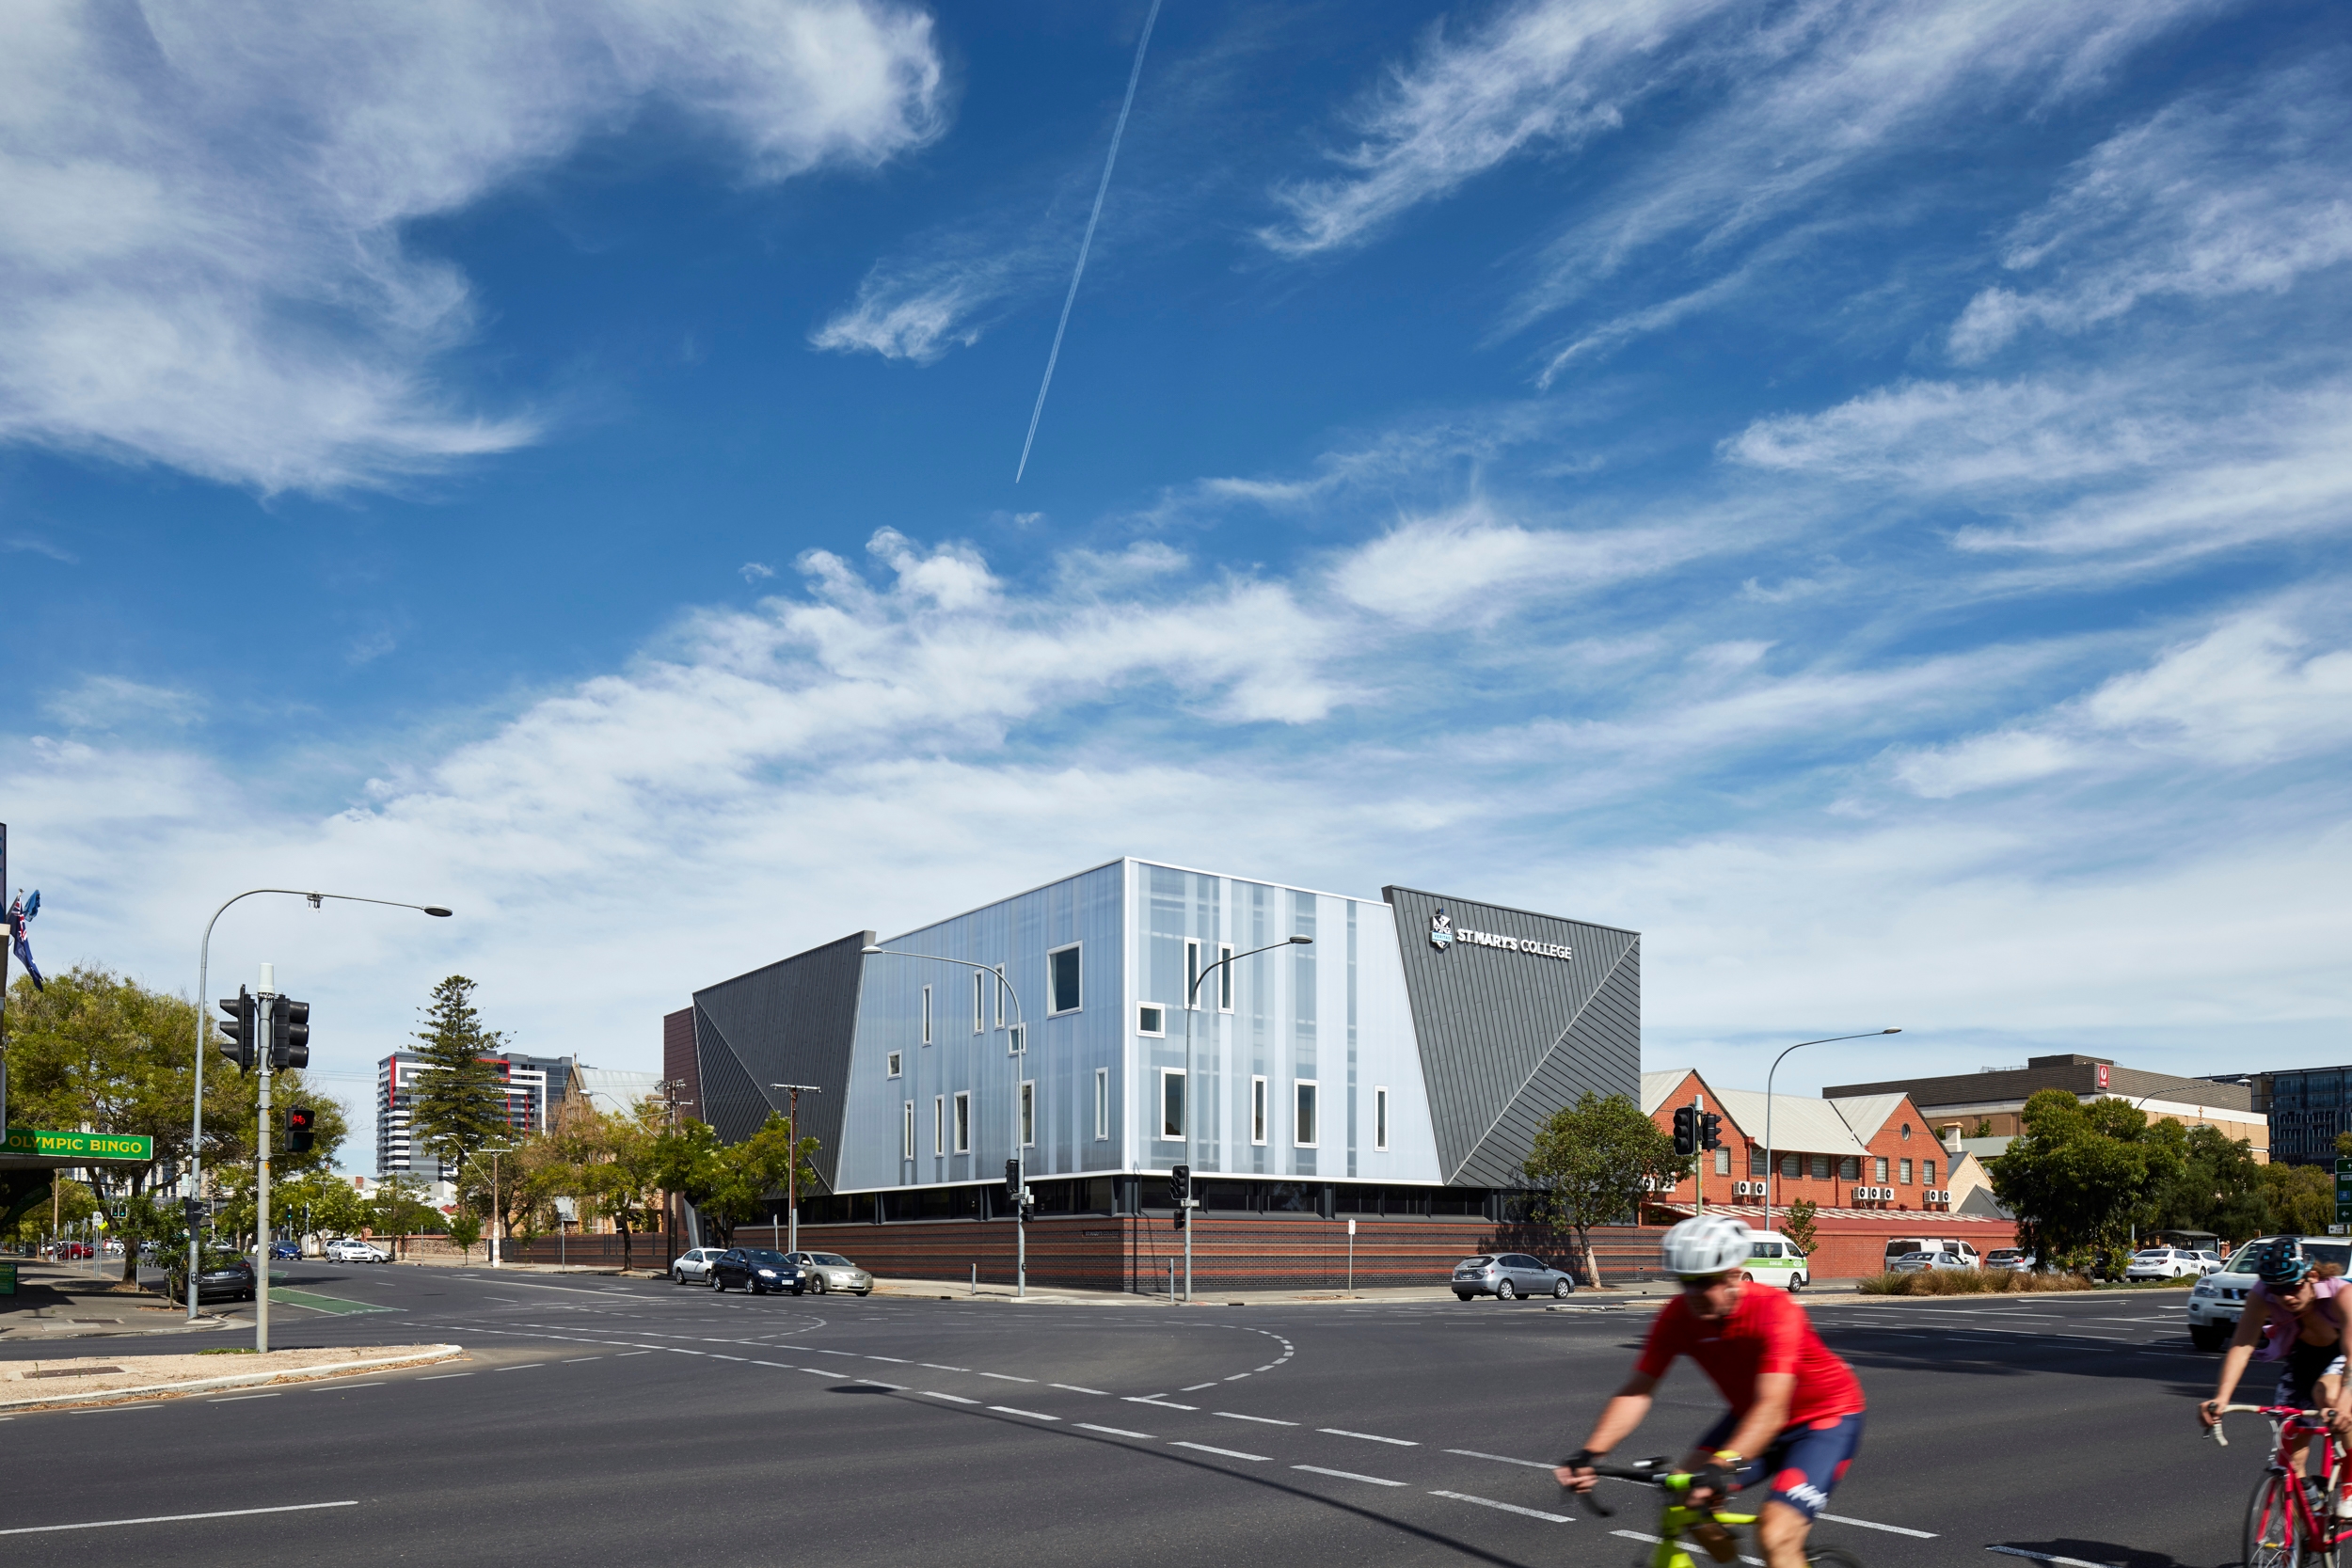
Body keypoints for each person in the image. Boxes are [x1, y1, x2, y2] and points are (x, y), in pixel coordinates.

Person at [1557, 1214, 1867, 1568]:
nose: (1694, 1294)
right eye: (1686, 1282)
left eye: (1705, 1282)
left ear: (1735, 1274)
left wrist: (1721, 1465)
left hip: (1824, 1421)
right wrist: (1591, 1452)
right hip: (1751, 1417)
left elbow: (1772, 1407)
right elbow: (1637, 1391)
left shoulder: (1775, 1312)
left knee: (1775, 1533)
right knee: (1686, 1500)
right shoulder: (1677, 1317)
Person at [2200, 1239, 2352, 1480]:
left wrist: (2345, 1402)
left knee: (2329, 1395)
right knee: (2288, 1459)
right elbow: (2242, 1344)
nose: (2286, 1297)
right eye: (2277, 1291)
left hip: (2341, 1356)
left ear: (2311, 1276)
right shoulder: (2262, 1294)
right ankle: (2306, 1507)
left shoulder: (2341, 1294)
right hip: (2301, 1358)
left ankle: (2349, 1486)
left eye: (2292, 1287)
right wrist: (2221, 1398)